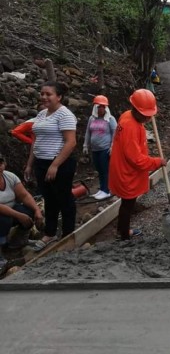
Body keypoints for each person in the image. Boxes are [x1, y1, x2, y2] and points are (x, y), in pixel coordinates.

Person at [24, 81, 77, 252]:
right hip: (41, 162)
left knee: (64, 198)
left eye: (49, 94)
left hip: (59, 163)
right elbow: (36, 140)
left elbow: (70, 142)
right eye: (42, 94)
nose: (44, 97)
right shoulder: (41, 115)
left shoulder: (65, 115)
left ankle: (69, 234)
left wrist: (55, 165)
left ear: (59, 97)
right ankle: (50, 233)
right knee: (49, 199)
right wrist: (29, 164)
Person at [109, 89, 167, 240]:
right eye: (145, 115)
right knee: (128, 205)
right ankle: (124, 235)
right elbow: (136, 160)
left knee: (126, 204)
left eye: (149, 115)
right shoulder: (130, 126)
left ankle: (122, 229)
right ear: (136, 109)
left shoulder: (128, 115)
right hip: (127, 173)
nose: (148, 118)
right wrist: (157, 162)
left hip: (123, 168)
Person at [0, 155, 44, 266]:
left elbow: (24, 196)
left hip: (11, 209)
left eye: (0, 163)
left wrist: (37, 210)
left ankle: (18, 242)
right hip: (3, 215)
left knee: (29, 210)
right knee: (5, 220)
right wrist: (19, 215)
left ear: (4, 164)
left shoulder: (9, 176)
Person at [82, 95, 117, 200]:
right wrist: (85, 145)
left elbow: (115, 133)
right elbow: (88, 132)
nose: (101, 108)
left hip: (105, 149)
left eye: (103, 106)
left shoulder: (110, 119)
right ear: (95, 107)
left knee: (105, 169)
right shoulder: (91, 118)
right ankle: (102, 189)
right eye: (99, 106)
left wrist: (112, 147)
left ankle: (107, 190)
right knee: (99, 169)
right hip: (95, 149)